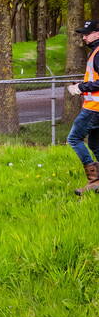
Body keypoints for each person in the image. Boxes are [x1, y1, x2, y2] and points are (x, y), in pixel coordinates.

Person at [64, 20, 99, 195]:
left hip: (94, 108)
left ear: (97, 33)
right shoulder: (95, 53)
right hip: (95, 107)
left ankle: (94, 181)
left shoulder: (98, 53)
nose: (84, 37)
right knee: (94, 143)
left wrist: (80, 88)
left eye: (87, 33)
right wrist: (82, 84)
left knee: (74, 139)